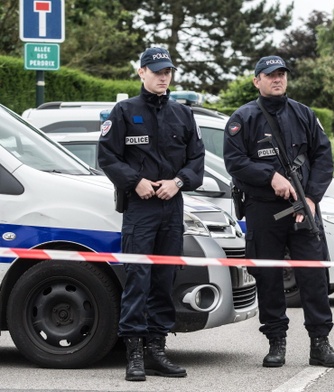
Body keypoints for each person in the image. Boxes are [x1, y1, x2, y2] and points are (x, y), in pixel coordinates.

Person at [223, 55, 334, 369]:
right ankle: (276, 343)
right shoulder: (243, 118)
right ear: (257, 81)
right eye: (270, 75)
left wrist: (314, 199)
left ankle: (320, 344)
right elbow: (235, 162)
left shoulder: (304, 114)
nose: (277, 79)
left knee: (313, 276)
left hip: (303, 209)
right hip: (263, 210)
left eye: (281, 74)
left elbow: (323, 159)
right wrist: (270, 177)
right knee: (268, 278)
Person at [98, 47, 205, 381]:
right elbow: (107, 156)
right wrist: (136, 182)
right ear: (141, 72)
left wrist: (178, 181)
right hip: (140, 208)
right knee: (138, 279)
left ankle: (157, 350)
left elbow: (197, 162)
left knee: (164, 280)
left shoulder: (183, 115)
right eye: (156, 71)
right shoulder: (124, 111)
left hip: (172, 207)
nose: (163, 77)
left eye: (167, 71)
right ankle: (134, 355)